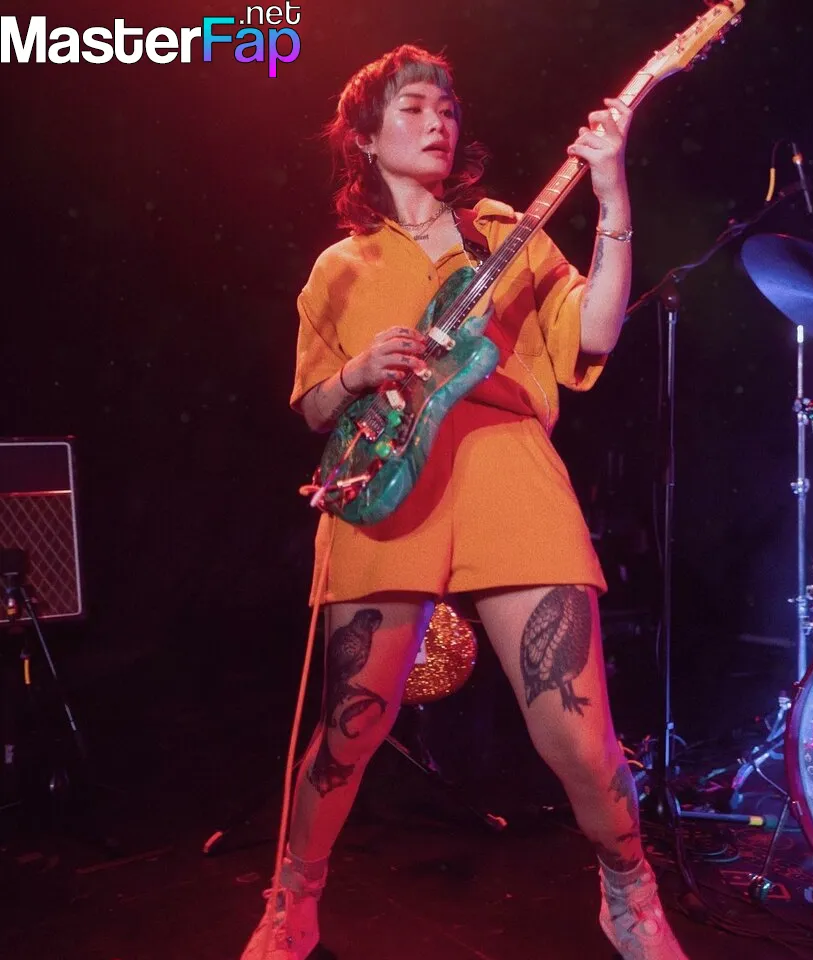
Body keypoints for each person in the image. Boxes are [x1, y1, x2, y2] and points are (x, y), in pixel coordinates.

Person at [242, 44, 688, 960]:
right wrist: (357, 373)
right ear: (365, 139)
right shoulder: (340, 266)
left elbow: (596, 331)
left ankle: (629, 893)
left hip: (505, 464)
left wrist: (612, 193)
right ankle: (293, 900)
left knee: (581, 735)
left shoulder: (508, 232)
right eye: (412, 108)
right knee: (350, 729)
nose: (437, 122)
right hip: (385, 485)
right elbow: (312, 406)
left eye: (446, 108)